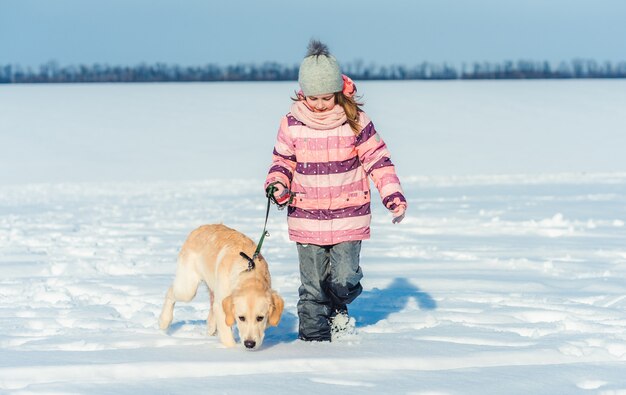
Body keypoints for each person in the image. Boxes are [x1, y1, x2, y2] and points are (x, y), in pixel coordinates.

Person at [264, 39, 407, 342]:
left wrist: (391, 195)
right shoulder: (292, 124)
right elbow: (282, 161)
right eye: (312, 97)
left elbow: (378, 160)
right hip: (306, 216)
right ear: (302, 94)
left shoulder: (355, 121)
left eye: (326, 97)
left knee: (343, 279)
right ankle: (313, 342)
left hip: (349, 214)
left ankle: (338, 307)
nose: (319, 104)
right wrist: (277, 184)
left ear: (338, 92)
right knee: (313, 287)